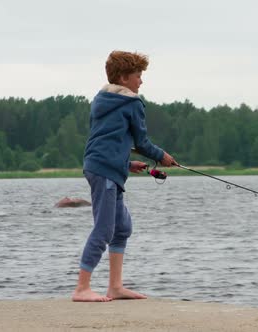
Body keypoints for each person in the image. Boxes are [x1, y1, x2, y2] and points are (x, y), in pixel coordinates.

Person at [72, 50, 177, 302]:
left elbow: (106, 141)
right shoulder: (131, 102)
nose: (141, 81)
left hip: (102, 166)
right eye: (137, 76)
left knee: (122, 228)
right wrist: (161, 156)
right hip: (105, 171)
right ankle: (81, 288)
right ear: (123, 78)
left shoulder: (101, 99)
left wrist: (127, 164)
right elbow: (141, 141)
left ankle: (115, 287)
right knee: (104, 229)